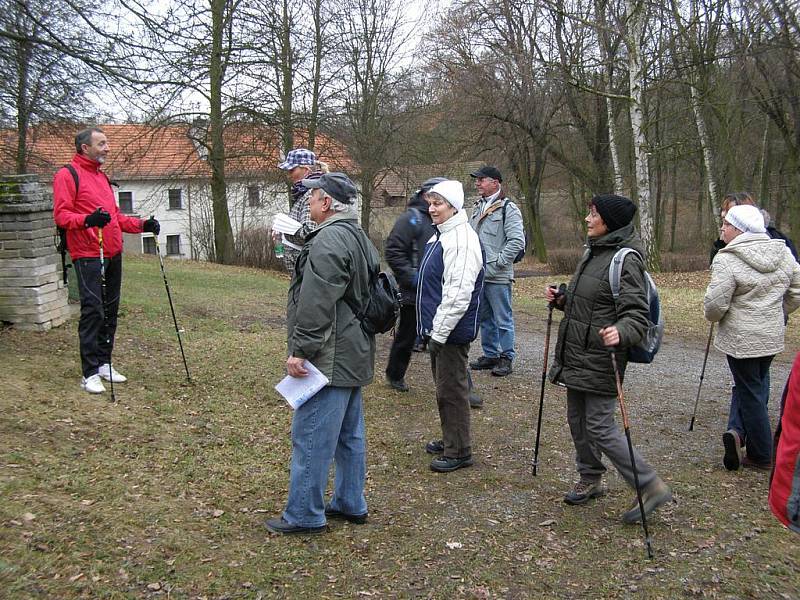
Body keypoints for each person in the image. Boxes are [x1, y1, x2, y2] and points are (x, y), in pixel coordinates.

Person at [546, 194, 672, 524]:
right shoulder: (595, 252)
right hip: (577, 354)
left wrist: (621, 331)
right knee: (577, 420)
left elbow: (637, 316)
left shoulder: (625, 260)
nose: (587, 219)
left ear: (609, 223)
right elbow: (588, 302)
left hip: (603, 357)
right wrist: (562, 299)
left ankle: (650, 484)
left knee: (600, 427)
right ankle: (590, 478)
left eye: (594, 215)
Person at [265, 172, 377, 535]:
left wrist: (301, 350)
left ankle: (303, 513)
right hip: (353, 348)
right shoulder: (357, 236)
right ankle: (349, 501)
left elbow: (316, 303)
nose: (308, 204)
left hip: (330, 353)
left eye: (312, 198)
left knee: (311, 434)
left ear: (326, 202)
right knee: (349, 435)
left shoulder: (329, 240)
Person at [53, 127, 160, 395]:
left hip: (112, 251)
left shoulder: (101, 177)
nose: (107, 148)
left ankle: (103, 362)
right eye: (101, 144)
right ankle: (89, 372)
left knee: (111, 311)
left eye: (107, 143)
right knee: (93, 311)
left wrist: (142, 224)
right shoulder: (68, 175)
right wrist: (87, 220)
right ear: (84, 147)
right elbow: (62, 216)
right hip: (88, 253)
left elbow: (114, 217)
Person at [704, 204, 800, 471]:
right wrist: (777, 312)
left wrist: (715, 315)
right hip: (770, 335)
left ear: (739, 229)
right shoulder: (783, 254)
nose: (722, 228)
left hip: (740, 338)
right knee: (754, 386)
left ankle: (761, 453)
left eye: (726, 224)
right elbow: (796, 291)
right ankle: (737, 433)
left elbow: (714, 306)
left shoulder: (727, 259)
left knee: (749, 391)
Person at [417, 180, 485, 473]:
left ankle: (459, 451)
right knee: (444, 388)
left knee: (453, 390)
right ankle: (451, 440)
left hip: (450, 331)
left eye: (438, 204)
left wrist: (440, 333)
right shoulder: (443, 235)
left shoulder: (461, 240)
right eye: (430, 203)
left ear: (454, 206)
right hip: (440, 329)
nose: (431, 209)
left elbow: (458, 295)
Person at [383, 177, 444, 392]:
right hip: (414, 292)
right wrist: (412, 277)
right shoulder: (412, 219)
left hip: (440, 291)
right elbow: (393, 251)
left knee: (445, 339)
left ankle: (458, 386)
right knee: (407, 336)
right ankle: (394, 374)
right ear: (426, 195)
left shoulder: (446, 219)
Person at [468, 165, 524, 377]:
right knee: (485, 318)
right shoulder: (477, 207)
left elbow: (517, 241)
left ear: (495, 182)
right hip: (480, 274)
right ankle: (490, 354)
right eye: (477, 180)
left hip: (498, 275)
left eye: (481, 179)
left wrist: (498, 262)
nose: (477, 183)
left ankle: (506, 357)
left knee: (503, 319)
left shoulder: (508, 208)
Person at [274, 148, 329, 274]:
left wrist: (284, 233)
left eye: (292, 170)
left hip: (307, 269)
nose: (289, 174)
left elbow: (309, 233)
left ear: (306, 169)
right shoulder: (304, 193)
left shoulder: (312, 194)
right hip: (302, 269)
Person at [710, 192, 798, 264]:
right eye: (724, 219)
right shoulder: (721, 243)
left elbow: (794, 270)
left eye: (730, 214)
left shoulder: (778, 239)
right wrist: (721, 243)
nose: (725, 217)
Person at [769, 352, 800, 533]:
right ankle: (740, 432)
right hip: (771, 343)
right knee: (754, 383)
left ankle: (742, 435)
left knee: (746, 385)